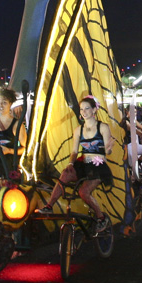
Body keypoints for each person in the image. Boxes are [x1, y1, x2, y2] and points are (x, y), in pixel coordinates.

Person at [36, 95, 114, 232]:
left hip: (97, 164)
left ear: (95, 110)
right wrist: (71, 164)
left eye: (87, 108)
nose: (83, 112)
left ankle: (101, 218)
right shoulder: (78, 130)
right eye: (82, 109)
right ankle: (49, 206)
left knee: (83, 192)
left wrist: (107, 148)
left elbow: (108, 151)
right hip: (82, 162)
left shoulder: (103, 127)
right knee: (65, 174)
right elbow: (74, 151)